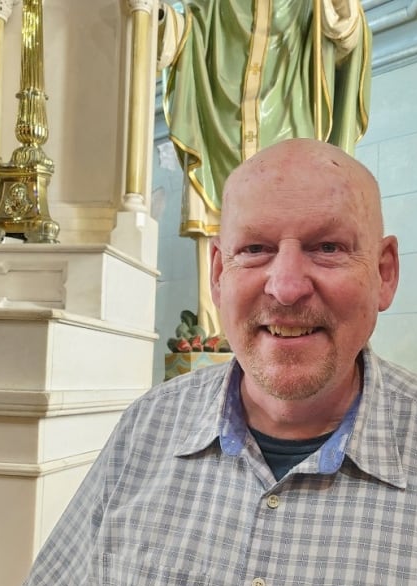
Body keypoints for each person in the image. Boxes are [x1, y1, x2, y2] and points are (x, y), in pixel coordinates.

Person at [15, 138, 417, 586]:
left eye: (327, 247)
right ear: (219, 274)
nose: (287, 285)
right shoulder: (145, 431)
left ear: (383, 274)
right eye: (255, 249)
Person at [157, 0, 371, 337]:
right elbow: (183, 35)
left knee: (302, 233)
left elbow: (345, 35)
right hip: (221, 129)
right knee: (216, 226)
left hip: (290, 121)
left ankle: (303, 330)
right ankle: (216, 334)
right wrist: (156, 17)